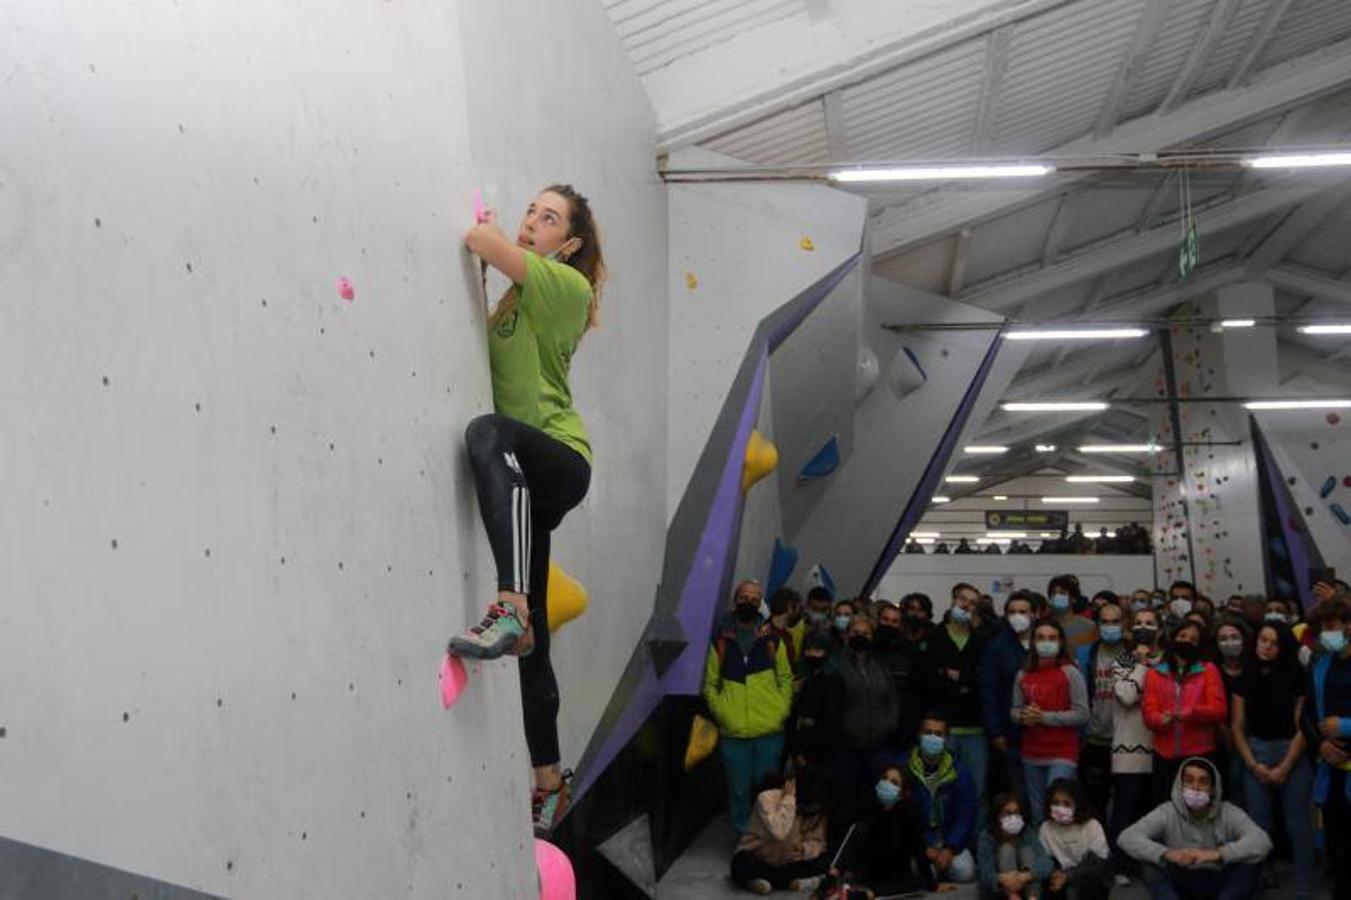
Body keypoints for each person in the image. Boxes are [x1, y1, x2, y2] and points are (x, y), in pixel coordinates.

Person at [451, 184, 604, 833]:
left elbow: (478, 240)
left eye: (547, 219)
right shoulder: (513, 302)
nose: (531, 224)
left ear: (567, 245)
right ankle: (548, 779)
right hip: (519, 478)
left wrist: (490, 231)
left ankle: (508, 605)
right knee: (533, 650)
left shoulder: (568, 288)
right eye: (530, 213)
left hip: (558, 459)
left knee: (486, 431)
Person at [702, 581, 794, 833]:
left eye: (755, 599)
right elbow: (710, 683)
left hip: (769, 732)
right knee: (739, 791)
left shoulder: (772, 639)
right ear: (735, 600)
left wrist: (780, 711)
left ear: (761, 603)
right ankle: (743, 840)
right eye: (744, 597)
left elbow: (786, 678)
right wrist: (723, 712)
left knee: (766, 791)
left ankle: (765, 839)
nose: (749, 602)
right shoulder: (720, 640)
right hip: (734, 734)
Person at [1231, 619, 1313, 900]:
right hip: (1255, 754)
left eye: (1274, 642)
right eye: (1263, 640)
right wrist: (1253, 765)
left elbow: (1302, 726)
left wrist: (1287, 765)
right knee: (1258, 827)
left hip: (1291, 751)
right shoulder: (1245, 677)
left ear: (1284, 647)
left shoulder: (1296, 676)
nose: (1267, 647)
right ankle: (1253, 887)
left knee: (1298, 825)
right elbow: (1237, 726)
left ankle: (1306, 890)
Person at [1117, 756, 1270, 900]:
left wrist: (1218, 854)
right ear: (1180, 785)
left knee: (1252, 861)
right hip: (1181, 877)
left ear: (1212, 788)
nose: (1195, 787)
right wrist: (1167, 854)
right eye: (1189, 781)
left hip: (1218, 877)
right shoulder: (1167, 811)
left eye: (1203, 782)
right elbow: (1126, 837)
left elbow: (1263, 841)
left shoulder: (1229, 811)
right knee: (1149, 865)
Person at [1011, 620, 1089, 823]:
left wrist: (1043, 717)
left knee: (1059, 808)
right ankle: (1042, 854)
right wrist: (1023, 716)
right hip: (1031, 753)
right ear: (1033, 642)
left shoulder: (1071, 672)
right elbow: (1014, 710)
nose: (1046, 642)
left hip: (1062, 752)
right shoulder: (1023, 674)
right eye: (1041, 638)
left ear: (1061, 642)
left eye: (1052, 638)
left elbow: (1082, 714)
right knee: (1038, 813)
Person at [1142, 619, 1227, 803]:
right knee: (1165, 807)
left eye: (1193, 639)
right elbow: (1149, 713)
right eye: (1182, 636)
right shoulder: (1154, 673)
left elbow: (1219, 710)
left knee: (1199, 806)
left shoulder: (1208, 670)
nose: (1187, 641)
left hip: (1200, 754)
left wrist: (1192, 712)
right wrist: (1160, 719)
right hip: (1164, 756)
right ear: (1173, 639)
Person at [925, 583, 991, 808]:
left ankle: (972, 843)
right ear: (953, 600)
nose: (966, 605)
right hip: (944, 728)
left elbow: (981, 678)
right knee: (941, 791)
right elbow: (930, 679)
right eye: (963, 599)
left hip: (975, 728)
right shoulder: (935, 637)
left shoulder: (981, 640)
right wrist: (955, 679)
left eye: (973, 603)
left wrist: (954, 674)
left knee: (976, 792)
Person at [829, 762, 940, 896]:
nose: (887, 783)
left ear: (904, 793)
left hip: (893, 874)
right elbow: (853, 840)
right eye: (885, 778)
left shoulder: (910, 813)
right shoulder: (870, 804)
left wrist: (932, 885)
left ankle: (864, 895)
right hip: (867, 870)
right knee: (859, 827)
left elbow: (919, 849)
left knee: (919, 882)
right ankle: (829, 882)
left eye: (894, 782)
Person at [1302, 595, 1351, 898]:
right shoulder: (1320, 664)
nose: (1326, 633)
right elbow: (1307, 715)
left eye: (1331, 626)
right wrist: (1320, 744)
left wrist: (1345, 726)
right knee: (1338, 849)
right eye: (1322, 628)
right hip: (1332, 769)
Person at [830, 615, 900, 825]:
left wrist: (890, 723)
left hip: (878, 745)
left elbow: (892, 697)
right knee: (845, 799)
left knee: (873, 800)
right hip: (847, 746)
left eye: (866, 634)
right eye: (855, 633)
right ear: (846, 635)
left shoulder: (879, 664)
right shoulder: (835, 664)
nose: (860, 637)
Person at [1108, 606, 1160, 885]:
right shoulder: (1123, 661)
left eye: (1150, 623)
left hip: (1161, 747)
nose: (1144, 627)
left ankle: (1151, 863)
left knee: (1153, 810)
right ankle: (1120, 865)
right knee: (1125, 809)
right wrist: (1139, 664)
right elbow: (1127, 696)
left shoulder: (1166, 662)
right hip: (1129, 748)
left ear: (1159, 630)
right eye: (1138, 623)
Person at [729, 766, 831, 895]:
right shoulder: (766, 798)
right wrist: (789, 800)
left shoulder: (817, 810)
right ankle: (788, 883)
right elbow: (779, 833)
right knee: (741, 863)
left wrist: (805, 849)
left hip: (788, 863)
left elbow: (818, 841)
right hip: (760, 858)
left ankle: (762, 881)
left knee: (824, 862)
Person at [1075, 600, 1130, 821]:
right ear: (1097, 626)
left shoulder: (1132, 652)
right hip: (1094, 739)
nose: (1110, 626)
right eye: (1105, 622)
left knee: (1125, 804)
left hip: (1126, 740)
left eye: (1115, 621)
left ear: (1124, 623)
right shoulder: (1086, 654)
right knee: (1095, 801)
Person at [908, 713, 978, 884]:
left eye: (938, 734)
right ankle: (933, 871)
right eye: (928, 732)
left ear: (946, 738)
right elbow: (903, 817)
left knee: (965, 871)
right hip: (920, 842)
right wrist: (923, 847)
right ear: (919, 735)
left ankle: (938, 870)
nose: (933, 738)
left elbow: (966, 815)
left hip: (948, 839)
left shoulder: (960, 772)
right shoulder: (906, 768)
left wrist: (950, 848)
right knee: (915, 867)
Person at [981, 591, 1036, 804]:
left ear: (1034, 614)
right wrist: (996, 731)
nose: (1017, 616)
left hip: (1045, 731)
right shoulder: (996, 648)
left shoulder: (1045, 642)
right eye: (1012, 612)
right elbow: (989, 691)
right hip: (1011, 733)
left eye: (1022, 612)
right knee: (1018, 791)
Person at [1039, 779, 1109, 900]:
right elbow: (1046, 859)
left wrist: (1068, 876)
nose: (1060, 808)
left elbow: (1097, 862)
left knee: (1090, 881)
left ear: (1077, 804)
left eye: (1066, 803)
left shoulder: (1092, 825)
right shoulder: (1046, 827)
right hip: (1059, 876)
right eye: (1055, 803)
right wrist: (1055, 874)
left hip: (1086, 876)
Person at [977, 791, 1052, 900]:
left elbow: (1046, 863)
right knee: (1006, 850)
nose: (1013, 817)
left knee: (1026, 851)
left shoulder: (1027, 832)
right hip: (1003, 892)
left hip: (1029, 887)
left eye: (1016, 812)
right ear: (997, 816)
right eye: (1007, 813)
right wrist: (1003, 878)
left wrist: (1025, 876)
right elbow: (985, 875)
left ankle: (1033, 898)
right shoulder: (986, 837)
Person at [874, 600, 922, 747]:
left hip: (900, 727)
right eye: (885, 620)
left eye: (894, 621)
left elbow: (915, 692)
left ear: (900, 625)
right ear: (878, 621)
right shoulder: (867, 649)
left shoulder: (910, 652)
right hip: (870, 725)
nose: (889, 624)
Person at [1046, 575, 1096, 654]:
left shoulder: (1089, 626)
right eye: (1054, 593)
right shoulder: (1043, 625)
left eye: (1062, 593)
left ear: (1073, 598)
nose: (1057, 596)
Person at [767, 587, 804, 671]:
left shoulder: (785, 634)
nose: (800, 611)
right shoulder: (770, 635)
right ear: (790, 606)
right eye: (798, 607)